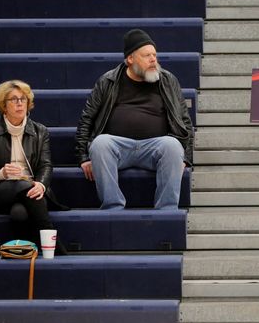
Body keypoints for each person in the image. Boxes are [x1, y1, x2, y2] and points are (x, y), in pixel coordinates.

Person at [74, 29, 194, 209]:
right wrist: (83, 157)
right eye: (147, 56)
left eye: (154, 55)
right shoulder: (108, 81)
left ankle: (167, 210)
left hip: (154, 148)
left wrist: (186, 157)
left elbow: (184, 121)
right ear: (130, 59)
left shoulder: (168, 80)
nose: (153, 59)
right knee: (100, 143)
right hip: (118, 148)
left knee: (173, 145)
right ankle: (113, 207)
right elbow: (86, 120)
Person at [0, 80, 67, 253]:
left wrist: (41, 184)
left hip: (30, 191)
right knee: (24, 185)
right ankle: (57, 248)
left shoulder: (40, 131)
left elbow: (45, 164)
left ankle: (25, 253)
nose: (20, 103)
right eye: (13, 99)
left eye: (23, 99)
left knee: (19, 214)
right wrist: (1, 173)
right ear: (3, 106)